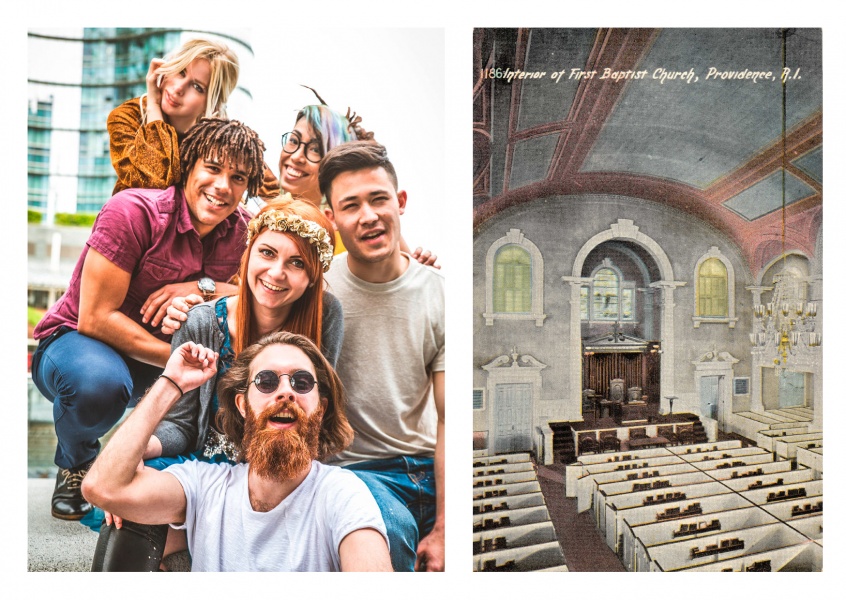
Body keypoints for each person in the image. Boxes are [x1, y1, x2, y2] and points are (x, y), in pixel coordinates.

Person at [88, 196, 343, 570]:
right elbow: (181, 424)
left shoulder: (327, 315)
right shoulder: (202, 322)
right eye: (268, 253)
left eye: (297, 263)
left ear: (312, 278)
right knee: (127, 512)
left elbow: (319, 417)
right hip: (204, 466)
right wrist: (143, 448)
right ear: (248, 255)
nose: (276, 272)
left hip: (279, 468)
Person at [31, 117, 267, 521]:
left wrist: (202, 285)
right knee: (99, 386)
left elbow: (264, 287)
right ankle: (75, 461)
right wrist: (180, 362)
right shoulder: (132, 212)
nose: (224, 186)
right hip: (78, 345)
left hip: (160, 361)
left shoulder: (247, 233)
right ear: (189, 165)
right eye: (212, 168)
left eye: (238, 177)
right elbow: (95, 318)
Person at [82, 333, 392, 572]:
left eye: (302, 382)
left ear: (321, 409)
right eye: (267, 381)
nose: (286, 391)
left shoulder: (343, 494)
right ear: (243, 406)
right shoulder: (204, 485)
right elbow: (102, 487)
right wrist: (171, 383)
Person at [317, 141, 445, 571]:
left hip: (433, 466)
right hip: (361, 472)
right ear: (332, 219)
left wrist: (445, 526)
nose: (368, 215)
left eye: (378, 199)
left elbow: (450, 418)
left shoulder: (439, 292)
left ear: (400, 202)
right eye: (350, 205)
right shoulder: (317, 291)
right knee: (389, 540)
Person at [266, 87, 436, 266]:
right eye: (293, 141)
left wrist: (423, 272)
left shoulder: (355, 222)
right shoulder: (268, 215)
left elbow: (411, 273)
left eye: (315, 150)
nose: (296, 156)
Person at [107, 38, 279, 198]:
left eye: (197, 87)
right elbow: (152, 183)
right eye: (181, 72)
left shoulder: (220, 140)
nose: (179, 88)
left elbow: (274, 195)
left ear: (212, 102)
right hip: (131, 226)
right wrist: (153, 105)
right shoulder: (128, 117)